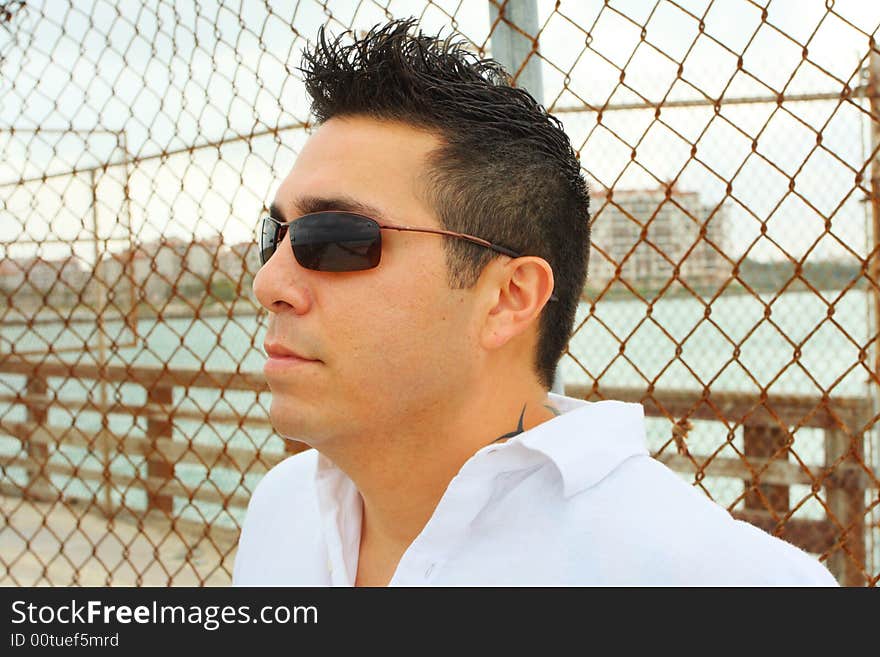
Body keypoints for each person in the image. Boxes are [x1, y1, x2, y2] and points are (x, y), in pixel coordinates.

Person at [233, 18, 837, 586]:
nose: (268, 284)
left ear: (507, 298)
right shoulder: (284, 511)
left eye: (335, 239)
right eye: (274, 237)